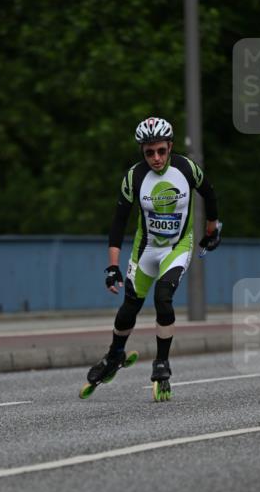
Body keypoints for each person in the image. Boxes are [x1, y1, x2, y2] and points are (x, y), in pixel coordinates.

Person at [82, 116, 221, 401]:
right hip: (145, 250)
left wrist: (211, 230)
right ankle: (114, 356)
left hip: (176, 248)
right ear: (141, 152)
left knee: (163, 297)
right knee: (129, 307)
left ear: (170, 146)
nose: (156, 158)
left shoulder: (186, 168)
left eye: (161, 150)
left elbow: (210, 194)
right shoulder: (134, 177)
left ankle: (162, 364)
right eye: (149, 153)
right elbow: (118, 224)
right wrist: (112, 266)